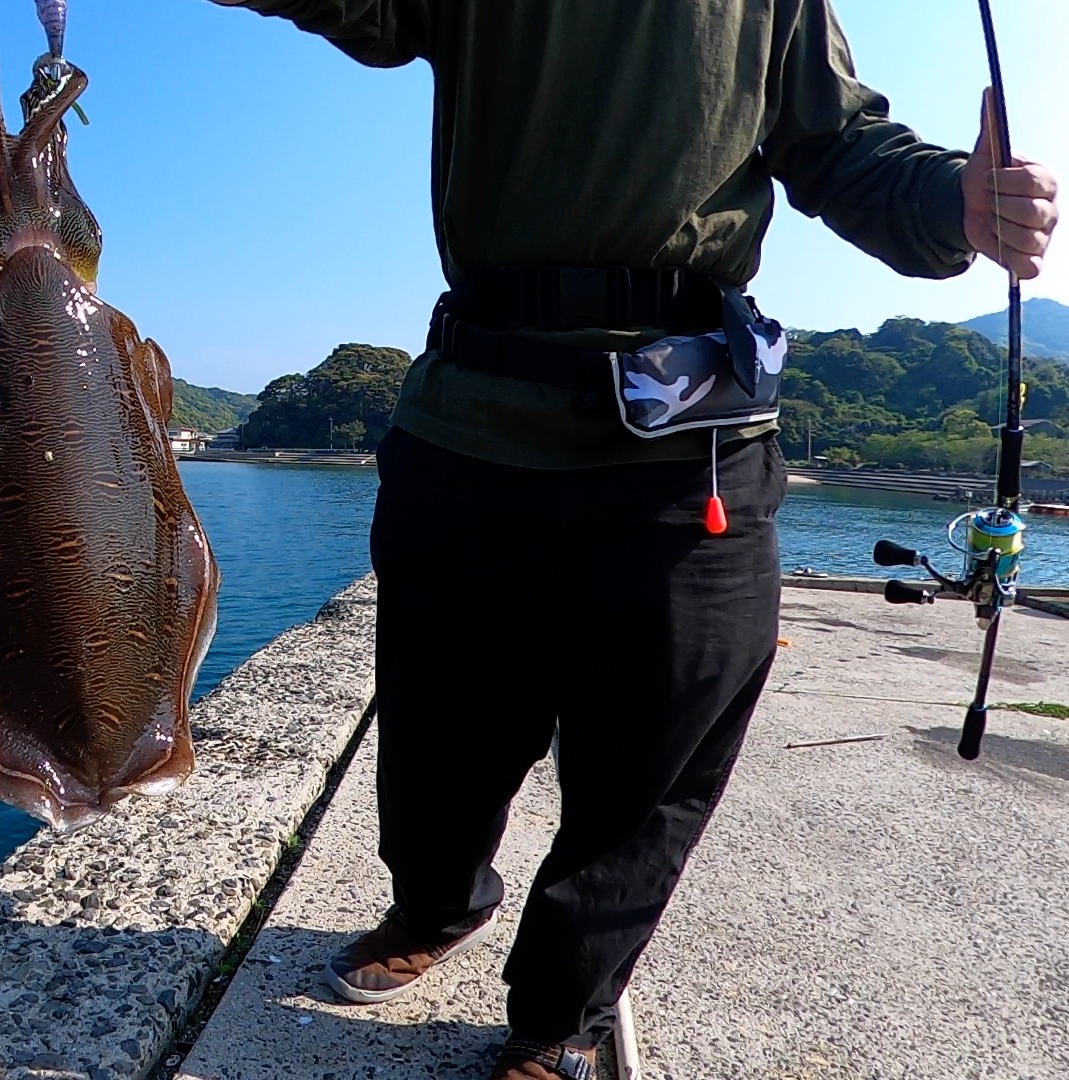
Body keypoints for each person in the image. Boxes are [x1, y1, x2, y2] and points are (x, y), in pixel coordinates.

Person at [208, 2, 1058, 1078]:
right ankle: (437, 904)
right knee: (436, 735)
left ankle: (557, 1017)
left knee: (651, 767)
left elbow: (838, 143)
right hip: (474, 416)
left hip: (689, 441)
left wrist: (954, 201)